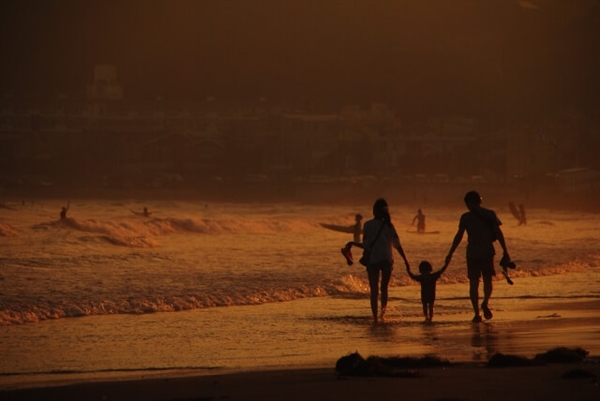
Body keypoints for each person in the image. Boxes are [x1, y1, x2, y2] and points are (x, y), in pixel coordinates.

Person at [445, 191, 511, 323]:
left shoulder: (466, 217)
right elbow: (498, 233)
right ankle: (485, 303)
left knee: (474, 283)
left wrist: (450, 252)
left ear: (469, 203)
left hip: (473, 253)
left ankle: (476, 314)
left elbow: (459, 236)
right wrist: (505, 250)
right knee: (487, 281)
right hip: (487, 252)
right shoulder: (490, 214)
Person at [341, 198, 410, 323]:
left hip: (373, 261)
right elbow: (397, 244)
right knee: (384, 289)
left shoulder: (368, 225)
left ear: (374, 211)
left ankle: (375, 318)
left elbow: (366, 245)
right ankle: (383, 316)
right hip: (387, 260)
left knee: (374, 291)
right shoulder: (389, 225)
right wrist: (405, 260)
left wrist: (352, 243)